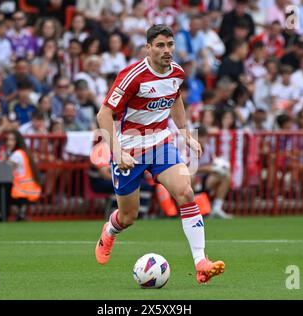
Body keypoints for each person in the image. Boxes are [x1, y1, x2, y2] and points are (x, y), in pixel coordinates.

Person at [95, 24, 225, 284]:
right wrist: (117, 151)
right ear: (148, 48)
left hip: (160, 144)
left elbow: (175, 98)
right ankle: (109, 230)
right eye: (161, 46)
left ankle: (201, 261)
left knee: (186, 192)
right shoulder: (132, 76)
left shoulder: (177, 72)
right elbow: (103, 114)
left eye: (170, 45)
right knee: (129, 216)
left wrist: (185, 132)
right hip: (130, 148)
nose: (167, 51)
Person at [1, 130, 42, 221]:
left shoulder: (17, 154)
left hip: (21, 190)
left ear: (17, 141)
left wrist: (3, 157)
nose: (9, 143)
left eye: (12, 140)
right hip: (29, 189)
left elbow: (6, 168)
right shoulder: (23, 153)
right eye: (8, 140)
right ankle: (21, 213)